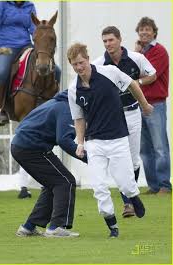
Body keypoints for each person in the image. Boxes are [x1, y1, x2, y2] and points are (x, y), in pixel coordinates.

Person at [67, 43, 153, 238]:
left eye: (81, 62)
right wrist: (80, 143)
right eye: (74, 65)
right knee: (98, 187)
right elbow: (78, 118)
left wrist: (145, 105)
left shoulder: (110, 72)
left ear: (87, 59)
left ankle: (132, 195)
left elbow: (132, 84)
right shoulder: (73, 90)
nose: (79, 67)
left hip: (118, 138)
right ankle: (112, 226)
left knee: (125, 182)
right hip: (94, 142)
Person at [92, 26, 156, 217]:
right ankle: (127, 203)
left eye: (111, 40)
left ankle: (131, 197)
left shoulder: (136, 58)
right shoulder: (99, 64)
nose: (108, 44)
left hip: (133, 112)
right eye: (104, 41)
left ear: (120, 39)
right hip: (112, 117)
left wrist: (136, 83)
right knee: (120, 160)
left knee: (134, 160)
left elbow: (152, 73)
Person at [11, 90, 87, 238]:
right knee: (66, 182)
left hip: (23, 145)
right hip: (31, 147)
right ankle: (55, 228)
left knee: (53, 183)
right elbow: (63, 139)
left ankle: (28, 227)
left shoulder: (57, 103)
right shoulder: (66, 108)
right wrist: (88, 158)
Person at [0, 1, 61, 125]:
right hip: (6, 46)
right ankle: (1, 110)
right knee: (2, 71)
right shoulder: (1, 5)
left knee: (56, 71)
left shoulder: (29, 6)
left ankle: (51, 104)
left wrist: (41, 34)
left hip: (26, 45)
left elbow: (33, 28)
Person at [135, 17, 171, 194]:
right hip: (139, 103)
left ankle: (164, 184)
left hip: (155, 103)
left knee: (159, 146)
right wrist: (137, 54)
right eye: (141, 30)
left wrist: (135, 81)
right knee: (144, 148)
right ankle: (153, 185)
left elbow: (150, 74)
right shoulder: (139, 53)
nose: (144, 32)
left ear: (154, 32)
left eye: (147, 29)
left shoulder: (159, 51)